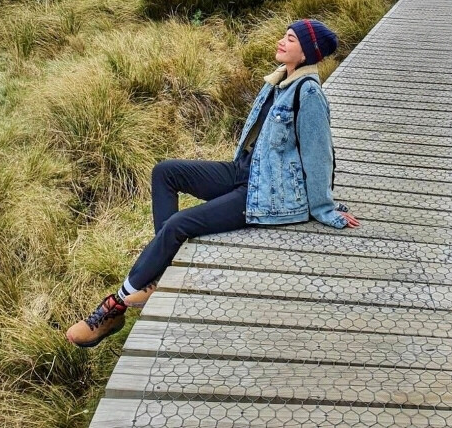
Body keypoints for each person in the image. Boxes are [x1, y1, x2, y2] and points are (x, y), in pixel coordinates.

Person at [66, 18, 360, 347]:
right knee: (166, 171)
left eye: (290, 39)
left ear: (306, 53)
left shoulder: (309, 94)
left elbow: (320, 156)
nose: (281, 41)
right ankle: (160, 271)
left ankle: (115, 306)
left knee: (179, 224)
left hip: (268, 192)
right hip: (245, 170)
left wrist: (324, 207)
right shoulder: (278, 82)